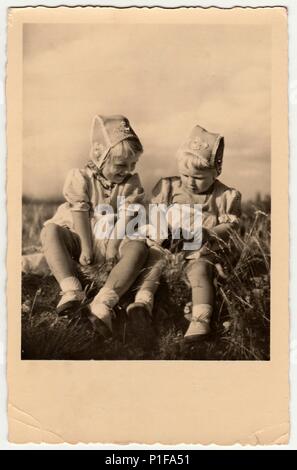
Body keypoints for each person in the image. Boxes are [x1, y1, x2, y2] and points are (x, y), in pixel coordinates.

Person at [127, 124, 241, 342]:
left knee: (201, 271)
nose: (190, 181)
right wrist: (163, 233)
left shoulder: (223, 196)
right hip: (168, 243)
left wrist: (208, 233)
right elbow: (157, 213)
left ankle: (201, 319)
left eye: (199, 177)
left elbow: (230, 225)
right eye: (186, 175)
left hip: (200, 247)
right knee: (154, 262)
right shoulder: (169, 188)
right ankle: (142, 303)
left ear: (216, 172)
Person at [41, 115, 148, 338]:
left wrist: (112, 249)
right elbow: (79, 212)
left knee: (138, 248)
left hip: (114, 238)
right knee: (50, 231)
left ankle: (104, 301)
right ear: (100, 157)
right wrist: (87, 249)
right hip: (83, 236)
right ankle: (71, 290)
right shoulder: (81, 178)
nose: (127, 170)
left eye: (133, 164)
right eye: (120, 165)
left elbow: (127, 218)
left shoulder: (130, 183)